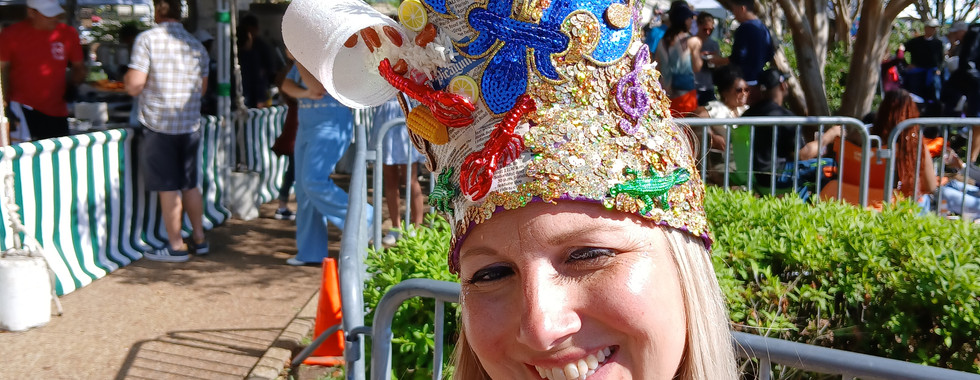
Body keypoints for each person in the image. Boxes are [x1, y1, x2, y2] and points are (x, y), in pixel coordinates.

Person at [124, 0, 210, 262]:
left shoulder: (147, 39)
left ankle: (175, 245)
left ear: (157, 10)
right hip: (189, 124)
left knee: (168, 187)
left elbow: (135, 85)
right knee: (190, 184)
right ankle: (199, 238)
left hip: (159, 123)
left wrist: (128, 80)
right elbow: (203, 89)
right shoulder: (197, 45)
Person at [279, 61, 372, 266]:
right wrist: (304, 94)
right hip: (306, 126)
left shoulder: (329, 58)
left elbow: (317, 87)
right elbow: (286, 85)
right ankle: (310, 251)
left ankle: (365, 218)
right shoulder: (305, 59)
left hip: (330, 124)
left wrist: (297, 59)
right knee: (304, 189)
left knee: (313, 181)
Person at [743, 69, 838, 197]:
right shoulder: (784, 117)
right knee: (829, 165)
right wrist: (830, 135)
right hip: (779, 175)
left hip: (754, 176)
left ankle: (803, 204)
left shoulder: (749, 114)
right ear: (783, 85)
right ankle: (822, 209)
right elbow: (803, 155)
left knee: (804, 168)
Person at [0, 0, 85, 141]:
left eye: (55, 14)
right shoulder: (11, 34)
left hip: (58, 110)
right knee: (26, 156)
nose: (54, 18)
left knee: (57, 156)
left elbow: (79, 68)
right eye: (48, 14)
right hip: (22, 108)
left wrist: (74, 83)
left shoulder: (67, 33)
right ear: (31, 12)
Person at [374, 96, 425, 245]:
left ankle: (418, 227)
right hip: (384, 117)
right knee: (390, 180)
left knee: (410, 179)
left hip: (405, 116)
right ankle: (395, 228)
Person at [706, 0, 773, 103]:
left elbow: (737, 58)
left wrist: (717, 60)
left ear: (742, 9)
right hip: (758, 82)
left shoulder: (744, 28)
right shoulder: (763, 28)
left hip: (742, 86)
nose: (733, 14)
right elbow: (769, 54)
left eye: (734, 10)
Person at [694, 65, 749, 185]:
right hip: (725, 166)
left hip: (746, 164)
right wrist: (711, 135)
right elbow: (695, 117)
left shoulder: (746, 109)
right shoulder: (716, 108)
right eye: (739, 90)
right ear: (725, 92)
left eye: (747, 89)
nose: (744, 93)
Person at [659, 4, 703, 117]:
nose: (692, 22)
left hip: (664, 95)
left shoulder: (662, 41)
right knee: (687, 132)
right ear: (685, 20)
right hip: (685, 94)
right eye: (690, 19)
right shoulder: (693, 41)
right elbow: (697, 67)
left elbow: (657, 67)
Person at [238, 14, 280, 109]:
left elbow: (270, 69)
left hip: (258, 93)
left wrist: (261, 98)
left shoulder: (261, 47)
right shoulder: (236, 50)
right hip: (242, 92)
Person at [903, 18, 945, 103]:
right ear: (925, 28)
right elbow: (902, 50)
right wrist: (906, 64)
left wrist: (939, 69)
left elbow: (941, 59)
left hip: (932, 72)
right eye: (930, 27)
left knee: (934, 93)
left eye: (934, 28)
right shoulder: (915, 42)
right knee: (915, 94)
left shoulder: (938, 43)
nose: (932, 30)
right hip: (917, 72)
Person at [694, 12, 720, 106]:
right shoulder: (691, 42)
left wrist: (715, 60)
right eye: (705, 29)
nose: (708, 33)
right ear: (698, 25)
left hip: (708, 86)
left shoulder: (713, 44)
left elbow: (718, 65)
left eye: (711, 30)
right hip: (693, 87)